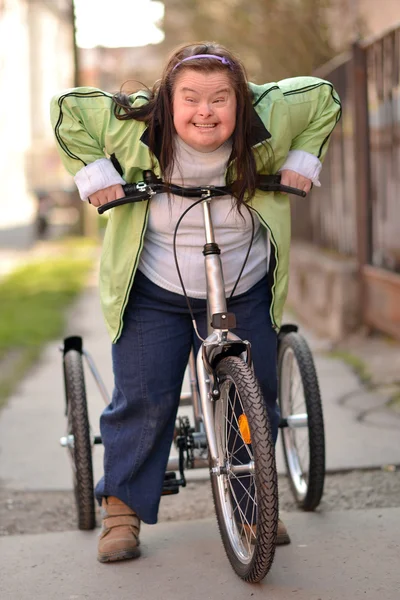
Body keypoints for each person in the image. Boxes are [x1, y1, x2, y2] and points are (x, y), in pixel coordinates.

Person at [50, 41, 341, 563]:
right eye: (190, 98)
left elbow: (323, 96)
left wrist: (301, 159)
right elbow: (69, 108)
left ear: (241, 102)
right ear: (168, 101)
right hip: (155, 288)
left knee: (260, 389)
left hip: (242, 282)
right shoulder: (134, 126)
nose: (204, 112)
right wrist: (97, 175)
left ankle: (256, 503)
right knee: (144, 397)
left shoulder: (270, 115)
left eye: (219, 99)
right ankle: (121, 509)